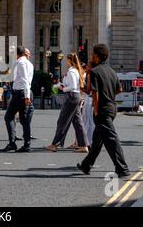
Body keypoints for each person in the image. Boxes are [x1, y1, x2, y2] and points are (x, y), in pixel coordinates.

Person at [77, 44, 130, 178]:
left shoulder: (96, 72)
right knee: (97, 140)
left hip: (102, 110)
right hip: (112, 108)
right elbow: (119, 90)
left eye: (92, 55)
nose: (91, 57)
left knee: (111, 140)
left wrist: (96, 110)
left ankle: (122, 168)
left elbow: (94, 93)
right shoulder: (111, 71)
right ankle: (86, 165)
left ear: (96, 56)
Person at [46, 53, 89, 153]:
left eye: (67, 60)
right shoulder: (75, 71)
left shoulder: (72, 72)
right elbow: (71, 84)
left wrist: (63, 88)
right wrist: (59, 85)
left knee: (62, 121)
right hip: (75, 96)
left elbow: (73, 86)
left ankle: (55, 144)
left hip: (71, 97)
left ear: (70, 60)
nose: (66, 62)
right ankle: (83, 145)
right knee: (78, 122)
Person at [0, 46, 34, 153]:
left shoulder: (21, 63)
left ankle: (12, 143)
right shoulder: (29, 63)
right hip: (23, 92)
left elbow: (25, 80)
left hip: (21, 93)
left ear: (17, 54)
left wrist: (27, 96)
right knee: (24, 120)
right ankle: (26, 144)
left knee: (8, 116)